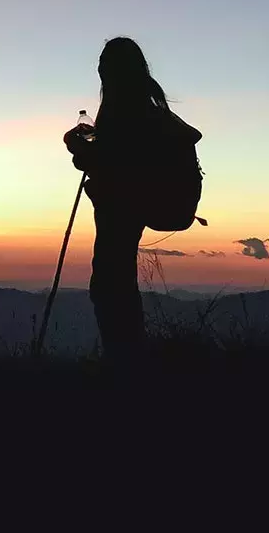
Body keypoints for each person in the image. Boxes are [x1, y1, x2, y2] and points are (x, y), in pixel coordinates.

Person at [63, 37, 202, 368]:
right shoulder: (147, 112)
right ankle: (127, 358)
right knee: (114, 280)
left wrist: (76, 146)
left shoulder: (126, 114)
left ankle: (125, 361)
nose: (100, 72)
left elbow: (113, 161)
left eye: (104, 66)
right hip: (136, 202)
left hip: (124, 206)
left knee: (110, 282)